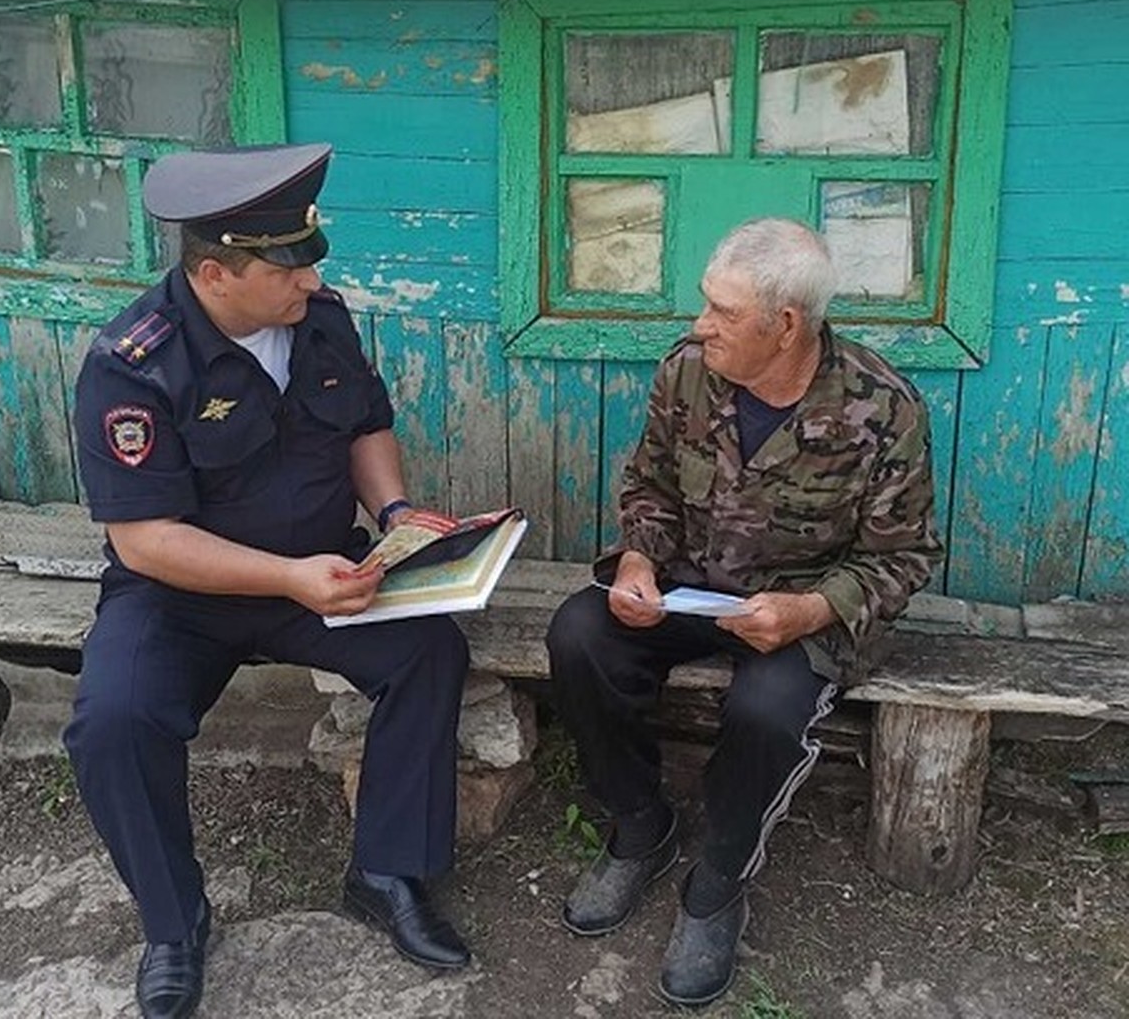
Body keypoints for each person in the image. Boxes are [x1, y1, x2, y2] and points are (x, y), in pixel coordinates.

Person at [64, 143, 471, 1019]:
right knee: (113, 721)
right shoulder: (132, 363)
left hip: (326, 572)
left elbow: (366, 424)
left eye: (308, 259)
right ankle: (175, 925)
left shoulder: (321, 319)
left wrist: (395, 514)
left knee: (429, 648)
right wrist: (289, 578)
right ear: (215, 273)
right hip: (183, 597)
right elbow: (144, 539)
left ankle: (385, 869)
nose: (308, 282)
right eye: (286, 269)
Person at [546, 218, 942, 1007]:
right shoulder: (688, 371)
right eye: (706, 306)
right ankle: (639, 827)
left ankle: (719, 882)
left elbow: (904, 558)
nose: (700, 325)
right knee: (581, 634)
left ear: (784, 325)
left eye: (722, 313)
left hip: (805, 606)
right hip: (692, 582)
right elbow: (650, 487)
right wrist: (637, 560)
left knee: (767, 708)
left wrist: (809, 610)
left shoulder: (884, 407)